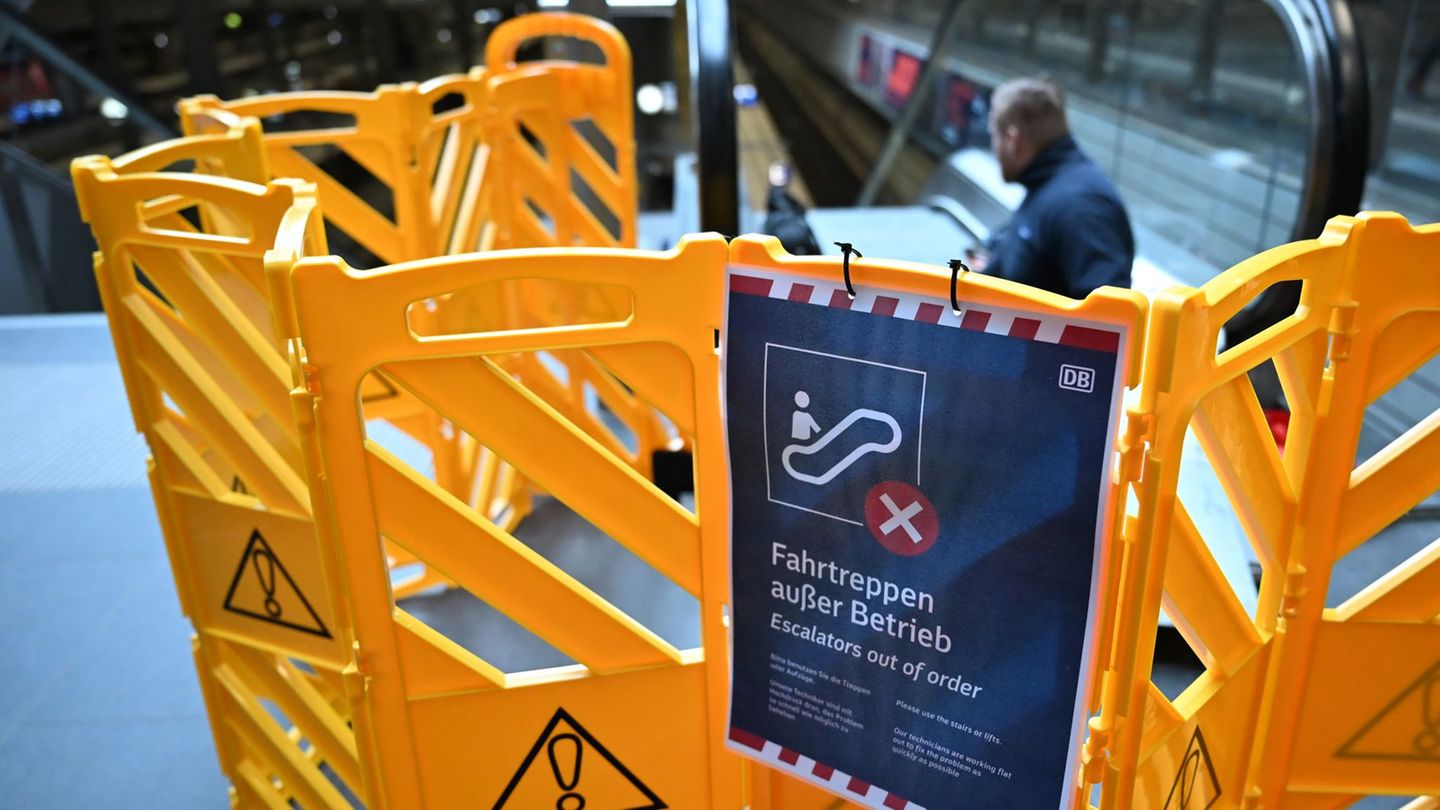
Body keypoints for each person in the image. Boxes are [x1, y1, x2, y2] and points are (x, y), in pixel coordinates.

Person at [970, 78, 1134, 298]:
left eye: (994, 135)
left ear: (1013, 139)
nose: (994, 148)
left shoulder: (1080, 207)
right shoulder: (1047, 184)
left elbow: (1109, 319)